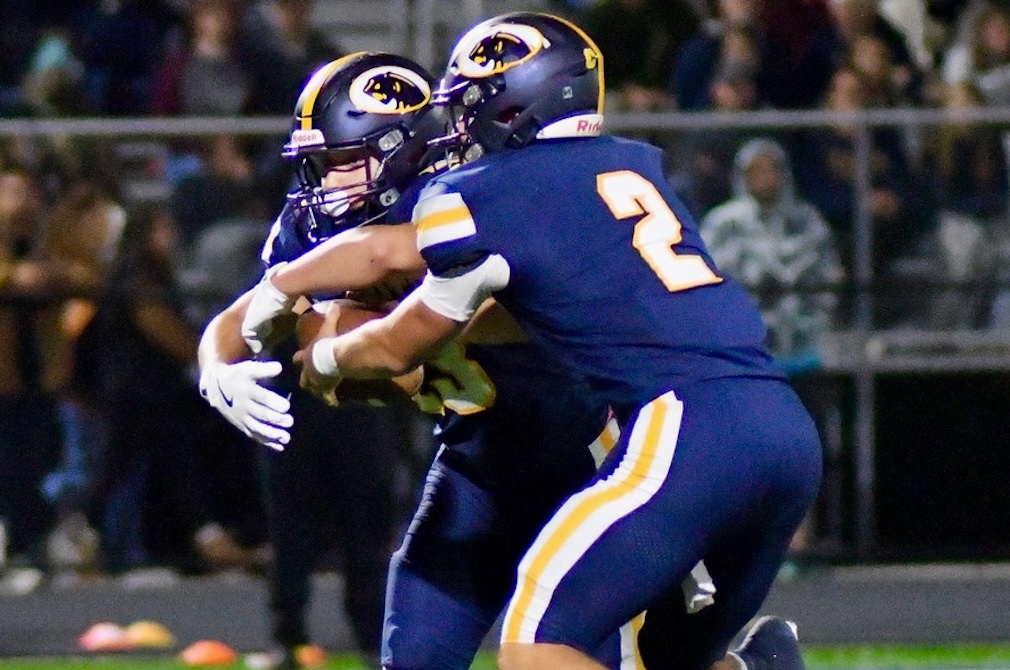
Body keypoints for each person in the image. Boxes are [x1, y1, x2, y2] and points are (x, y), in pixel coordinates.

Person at [283, 13, 822, 670]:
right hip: (769, 420)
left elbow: (390, 302)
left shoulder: (494, 190)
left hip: (654, 437)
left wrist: (297, 321)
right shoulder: (628, 164)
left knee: (540, 649)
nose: (454, 130)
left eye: (470, 108)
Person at [206, 52, 644, 670]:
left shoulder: (477, 197)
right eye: (318, 165)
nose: (323, 184)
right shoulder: (332, 228)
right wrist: (215, 370)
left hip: (583, 458)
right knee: (414, 656)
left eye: (340, 163)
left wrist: (356, 343)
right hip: (476, 462)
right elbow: (257, 316)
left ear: (403, 151)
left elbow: (386, 336)